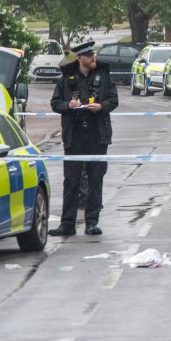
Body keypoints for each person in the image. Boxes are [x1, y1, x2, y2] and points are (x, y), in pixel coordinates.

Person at [48, 41, 119, 236]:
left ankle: (91, 223)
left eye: (93, 54)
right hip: (75, 136)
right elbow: (55, 103)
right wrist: (68, 105)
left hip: (97, 135)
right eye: (88, 56)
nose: (92, 58)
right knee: (71, 181)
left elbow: (113, 100)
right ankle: (67, 224)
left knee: (96, 179)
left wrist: (101, 107)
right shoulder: (66, 78)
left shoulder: (103, 76)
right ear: (79, 58)